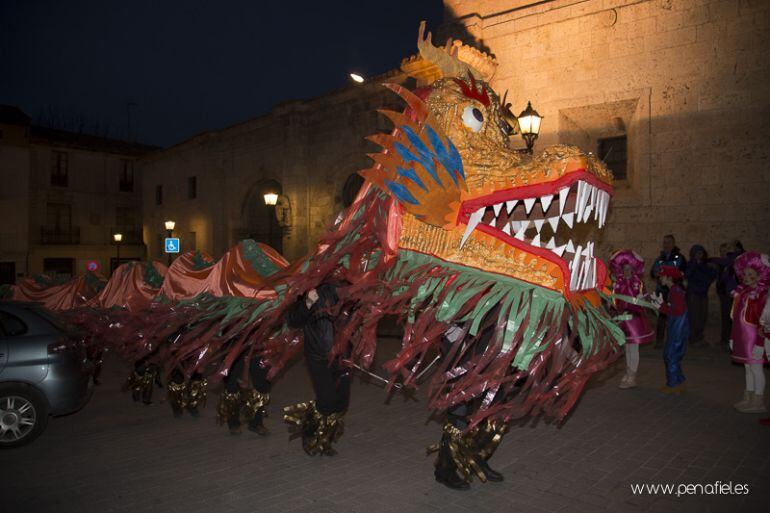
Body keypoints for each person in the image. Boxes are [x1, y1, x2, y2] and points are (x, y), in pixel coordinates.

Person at [431, 321, 507, 490]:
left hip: (492, 352)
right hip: (461, 353)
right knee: (459, 417)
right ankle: (445, 470)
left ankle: (475, 459)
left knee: (497, 410)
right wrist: (451, 330)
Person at [284, 283, 349, 456]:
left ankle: (325, 438)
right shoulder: (312, 286)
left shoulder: (350, 287)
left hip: (342, 356)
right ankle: (311, 432)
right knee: (327, 400)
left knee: (341, 402)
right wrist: (308, 303)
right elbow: (292, 320)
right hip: (318, 355)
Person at [729, 252, 769, 414]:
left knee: (756, 368)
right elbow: (736, 318)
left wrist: (760, 344)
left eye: (751, 274)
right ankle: (749, 397)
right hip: (743, 338)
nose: (746, 277)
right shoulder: (743, 293)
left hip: (755, 339)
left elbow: (765, 322)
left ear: (760, 275)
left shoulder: (763, 295)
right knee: (747, 368)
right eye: (744, 274)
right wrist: (733, 337)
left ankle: (759, 401)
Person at [610, 250, 654, 389]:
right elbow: (614, 300)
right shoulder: (618, 282)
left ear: (633, 269)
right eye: (624, 269)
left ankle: (632, 375)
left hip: (635, 319)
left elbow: (646, 298)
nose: (627, 271)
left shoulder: (638, 283)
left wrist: (642, 300)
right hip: (623, 318)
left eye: (629, 269)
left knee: (633, 348)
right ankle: (628, 372)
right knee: (627, 348)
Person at [653, 265, 689, 394]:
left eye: (662, 276)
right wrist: (662, 305)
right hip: (677, 326)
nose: (660, 279)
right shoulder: (674, 290)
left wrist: (661, 307)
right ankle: (679, 381)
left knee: (670, 355)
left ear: (669, 278)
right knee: (673, 354)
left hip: (678, 328)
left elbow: (676, 311)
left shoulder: (675, 291)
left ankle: (673, 384)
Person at [218, 353, 271, 435]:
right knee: (232, 386)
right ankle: (233, 423)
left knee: (262, 385)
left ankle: (256, 423)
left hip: (259, 348)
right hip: (237, 347)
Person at [650, 235, 687, 347]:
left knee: (674, 314)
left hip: (673, 289)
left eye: (669, 242)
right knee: (661, 315)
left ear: (674, 243)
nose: (666, 244)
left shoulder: (679, 257)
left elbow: (682, 272)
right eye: (664, 242)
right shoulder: (660, 258)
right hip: (662, 291)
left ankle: (675, 339)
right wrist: (656, 274)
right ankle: (660, 340)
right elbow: (652, 272)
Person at [712, 241, 745, 346]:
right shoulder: (721, 265)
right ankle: (724, 339)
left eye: (725, 251)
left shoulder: (732, 262)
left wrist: (710, 259)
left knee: (731, 317)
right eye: (721, 252)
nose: (722, 254)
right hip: (723, 294)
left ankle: (732, 340)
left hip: (731, 294)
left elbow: (728, 278)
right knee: (725, 317)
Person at [685, 245, 718, 346]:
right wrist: (695, 264)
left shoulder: (706, 265)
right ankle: (693, 338)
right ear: (693, 254)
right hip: (693, 294)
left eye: (701, 252)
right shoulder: (690, 264)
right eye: (697, 253)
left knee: (702, 316)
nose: (699, 255)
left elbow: (711, 276)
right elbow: (687, 275)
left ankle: (699, 337)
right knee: (694, 317)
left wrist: (714, 268)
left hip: (703, 294)